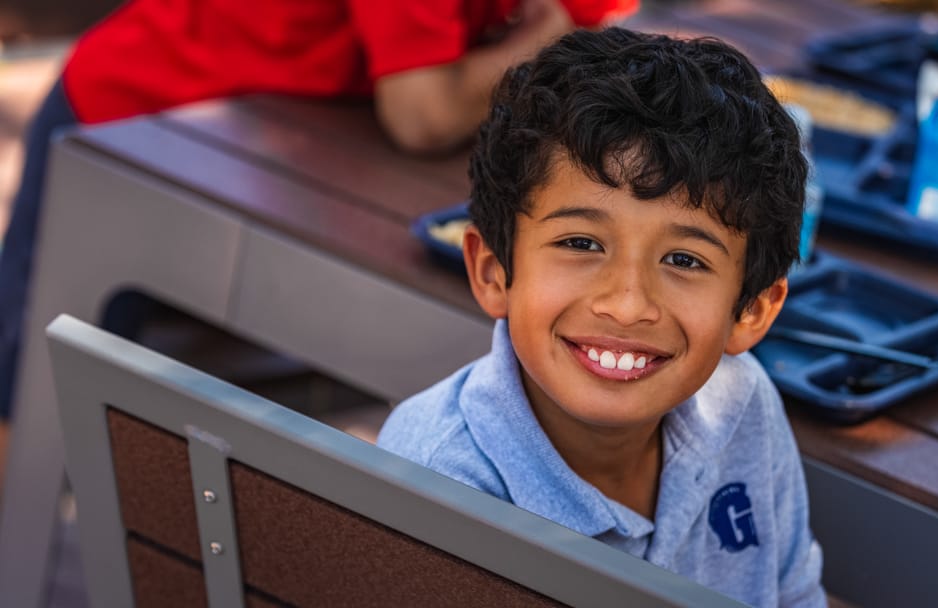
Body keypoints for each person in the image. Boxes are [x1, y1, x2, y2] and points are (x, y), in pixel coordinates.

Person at [0, 0, 637, 419]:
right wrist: (547, 35)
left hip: (281, 142)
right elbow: (423, 114)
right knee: (30, 394)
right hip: (132, 121)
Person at [377, 27, 826, 607]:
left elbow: (794, 596)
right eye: (582, 244)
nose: (626, 303)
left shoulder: (742, 407)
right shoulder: (437, 484)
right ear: (493, 272)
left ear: (753, 309)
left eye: (683, 259)